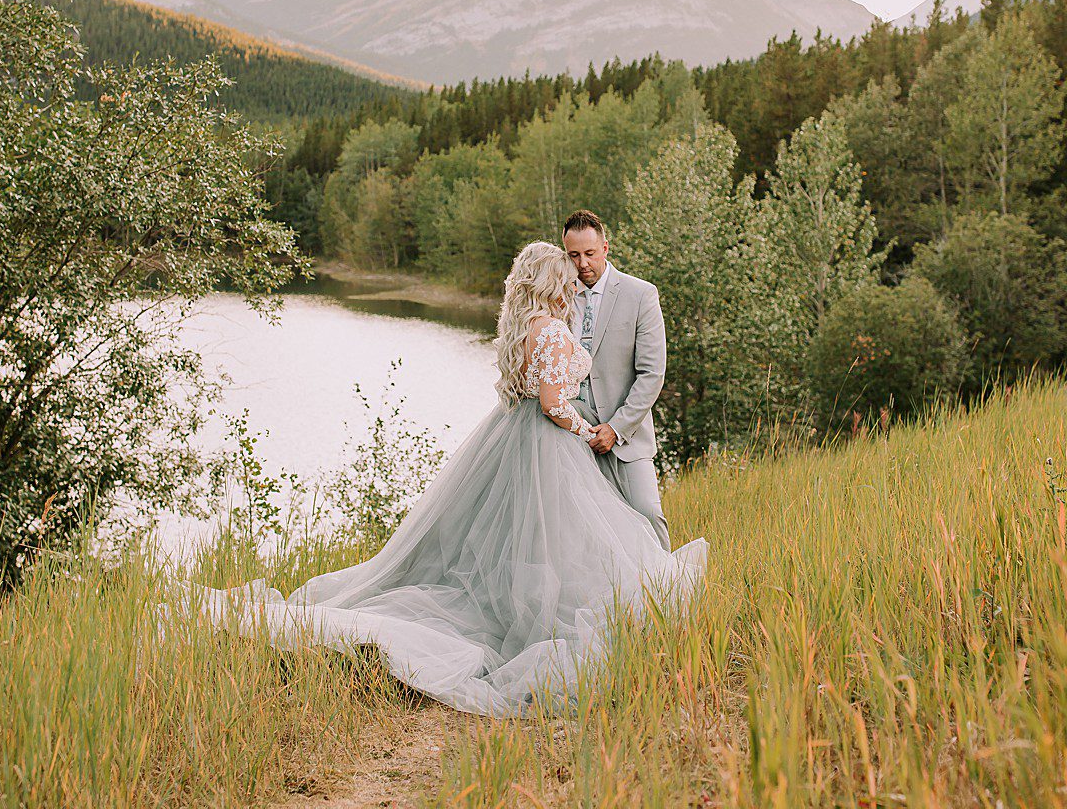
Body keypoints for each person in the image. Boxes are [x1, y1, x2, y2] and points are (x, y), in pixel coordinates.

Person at [166, 241, 706, 717]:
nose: (572, 281)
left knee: (518, 535)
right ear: (550, 283)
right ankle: (536, 622)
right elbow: (551, 405)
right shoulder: (553, 334)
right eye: (564, 276)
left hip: (509, 439)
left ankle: (522, 608)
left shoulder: (520, 331)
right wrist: (587, 429)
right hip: (548, 445)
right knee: (556, 535)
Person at [561, 209, 671, 548]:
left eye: (590, 254)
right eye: (573, 255)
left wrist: (616, 428)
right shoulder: (557, 297)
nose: (582, 264)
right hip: (568, 436)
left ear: (606, 248)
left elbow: (652, 374)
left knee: (647, 512)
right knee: (581, 534)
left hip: (627, 434)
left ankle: (669, 595)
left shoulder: (641, 294)